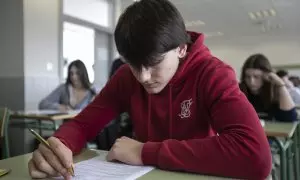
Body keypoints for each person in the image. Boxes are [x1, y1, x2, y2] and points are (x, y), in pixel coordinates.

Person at [28, 0, 272, 179]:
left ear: (181, 49)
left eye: (154, 63)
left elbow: (256, 156)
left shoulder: (212, 74)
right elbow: (84, 123)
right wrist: (59, 143)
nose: (143, 77)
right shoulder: (126, 77)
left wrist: (146, 152)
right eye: (133, 64)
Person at [239, 54, 298, 121]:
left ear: (266, 76)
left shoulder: (274, 92)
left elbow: (290, 119)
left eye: (256, 77)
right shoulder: (240, 91)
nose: (251, 82)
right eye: (248, 77)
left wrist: (281, 84)